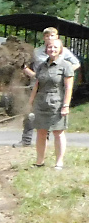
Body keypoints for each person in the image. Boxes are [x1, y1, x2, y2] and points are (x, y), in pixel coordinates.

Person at [16, 28, 80, 148]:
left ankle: (46, 138)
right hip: (37, 85)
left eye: (52, 35)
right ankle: (26, 140)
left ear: (57, 36)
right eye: (47, 36)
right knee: (30, 114)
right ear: (44, 38)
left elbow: (76, 63)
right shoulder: (36, 52)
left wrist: (63, 73)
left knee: (52, 113)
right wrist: (30, 73)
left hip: (55, 86)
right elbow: (29, 67)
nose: (49, 38)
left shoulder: (63, 51)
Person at [27, 38, 77, 169]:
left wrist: (66, 105)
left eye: (55, 47)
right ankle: (39, 162)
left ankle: (59, 162)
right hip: (41, 104)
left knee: (58, 133)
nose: (52, 50)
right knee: (41, 133)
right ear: (46, 49)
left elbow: (68, 88)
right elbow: (36, 86)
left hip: (57, 104)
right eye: (49, 47)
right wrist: (30, 103)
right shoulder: (42, 66)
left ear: (60, 49)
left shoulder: (66, 66)